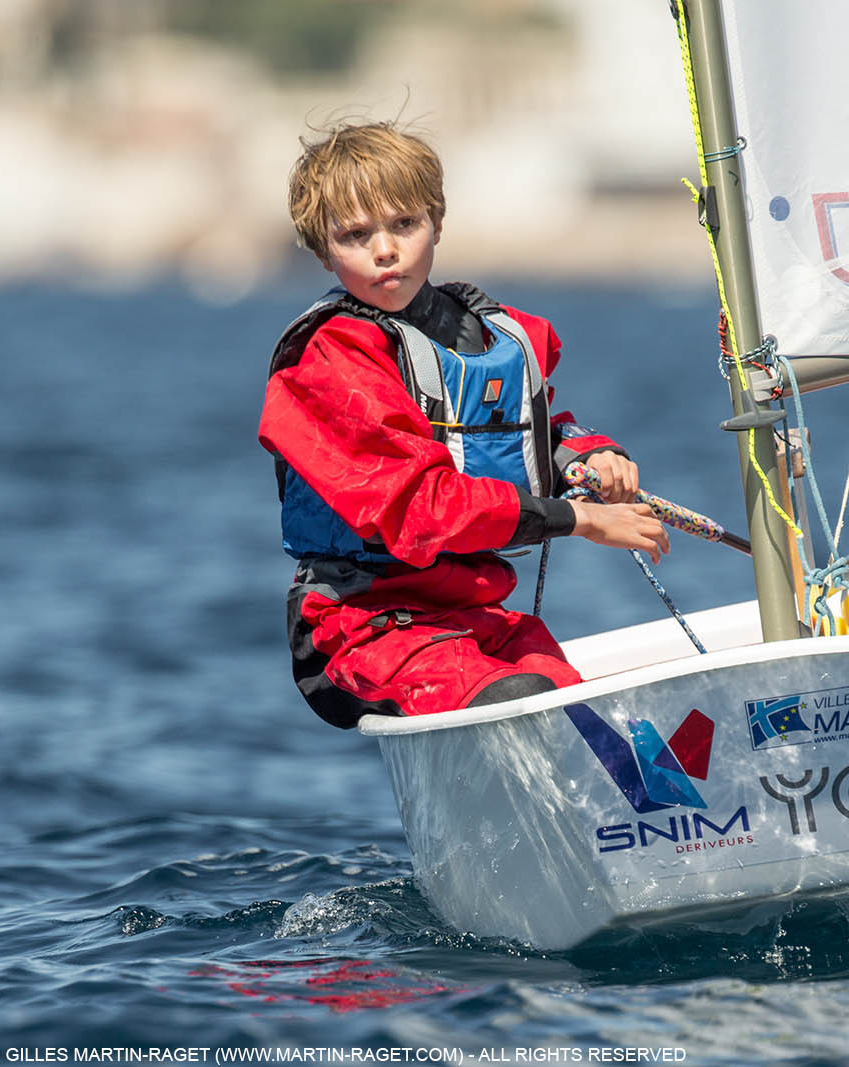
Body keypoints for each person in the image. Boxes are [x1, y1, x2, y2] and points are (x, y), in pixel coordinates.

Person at [258, 121, 669, 728]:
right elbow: (420, 505)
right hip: (360, 622)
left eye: (404, 224)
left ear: (437, 223)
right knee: (522, 703)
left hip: (473, 608)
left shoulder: (486, 332)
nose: (385, 250)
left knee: (586, 715)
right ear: (323, 252)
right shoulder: (329, 362)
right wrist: (580, 519)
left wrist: (587, 459)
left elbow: (529, 430)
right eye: (355, 235)